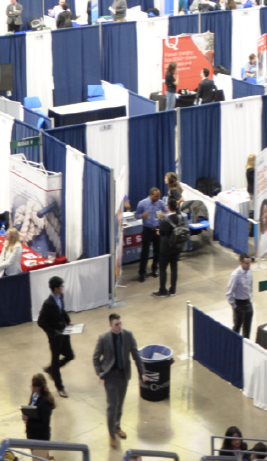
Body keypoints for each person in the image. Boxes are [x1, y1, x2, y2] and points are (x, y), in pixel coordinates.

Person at [93, 314, 147, 449]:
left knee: (120, 404)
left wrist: (142, 372)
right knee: (112, 405)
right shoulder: (103, 338)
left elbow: (136, 355)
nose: (119, 327)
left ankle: (117, 426)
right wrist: (100, 373)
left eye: (120, 323)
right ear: (110, 325)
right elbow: (95, 357)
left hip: (123, 375)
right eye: (116, 324)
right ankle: (112, 435)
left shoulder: (128, 335)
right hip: (110, 376)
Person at [37, 275, 74, 398]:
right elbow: (41, 321)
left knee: (70, 355)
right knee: (55, 359)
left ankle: (52, 369)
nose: (63, 288)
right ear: (56, 289)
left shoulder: (61, 296)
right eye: (61, 286)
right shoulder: (48, 303)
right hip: (55, 337)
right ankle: (60, 387)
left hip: (64, 333)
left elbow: (62, 311)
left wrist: (68, 321)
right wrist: (52, 332)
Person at [153, 197, 183, 297]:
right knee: (174, 267)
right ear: (176, 206)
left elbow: (161, 232)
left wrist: (158, 231)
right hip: (177, 247)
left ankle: (162, 290)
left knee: (162, 269)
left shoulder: (165, 221)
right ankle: (173, 290)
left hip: (165, 249)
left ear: (168, 207)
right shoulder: (180, 217)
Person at [135, 188, 166, 282]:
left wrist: (164, 215)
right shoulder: (142, 203)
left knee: (158, 251)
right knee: (145, 252)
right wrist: (142, 216)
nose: (158, 197)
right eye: (156, 196)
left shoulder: (161, 203)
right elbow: (136, 215)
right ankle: (142, 272)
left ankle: (155, 269)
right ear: (151, 195)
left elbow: (167, 213)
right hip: (147, 230)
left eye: (159, 196)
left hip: (157, 229)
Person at [23, 373, 55, 458]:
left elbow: (45, 424)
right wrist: (26, 414)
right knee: (36, 457)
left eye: (33, 386)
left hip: (40, 438)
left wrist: (29, 422)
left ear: (38, 387)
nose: (31, 387)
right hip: (32, 435)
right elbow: (31, 408)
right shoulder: (34, 395)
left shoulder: (45, 403)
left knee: (40, 458)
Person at [226, 254, 254, 339]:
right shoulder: (235, 275)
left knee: (247, 329)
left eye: (249, 263)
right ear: (241, 263)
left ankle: (246, 346)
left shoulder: (249, 271)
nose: (249, 265)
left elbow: (251, 286)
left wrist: (251, 299)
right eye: (246, 263)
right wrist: (234, 306)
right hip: (239, 304)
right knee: (237, 328)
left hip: (248, 303)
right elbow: (229, 293)